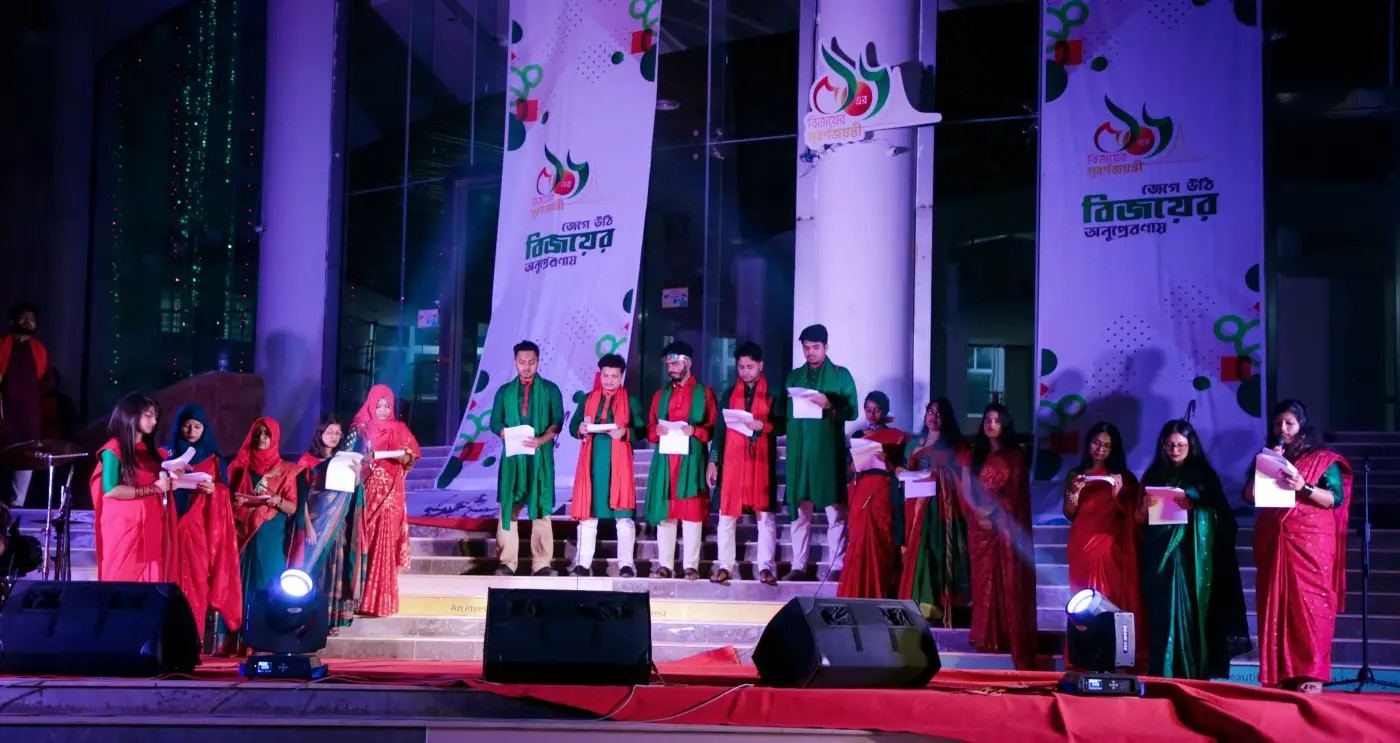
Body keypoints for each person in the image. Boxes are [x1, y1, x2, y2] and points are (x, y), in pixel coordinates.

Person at [1246, 399, 1352, 693]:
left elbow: (1335, 499)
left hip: (1311, 543)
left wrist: (1303, 487)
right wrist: (1267, 466)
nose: (1283, 428)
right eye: (1278, 423)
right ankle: (1281, 672)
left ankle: (1311, 674)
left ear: (1301, 426)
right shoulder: (1267, 457)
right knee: (1277, 604)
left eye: (1289, 423)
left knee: (1310, 606)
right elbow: (1249, 495)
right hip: (1275, 540)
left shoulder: (1322, 458)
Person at [1137, 419, 1251, 679]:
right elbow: (1138, 519)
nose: (1174, 450)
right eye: (1169, 445)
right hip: (1161, 557)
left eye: (1180, 445)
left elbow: (1223, 517)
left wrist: (1195, 507)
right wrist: (1144, 507)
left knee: (1193, 613)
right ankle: (1163, 673)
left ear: (1191, 446)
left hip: (1195, 558)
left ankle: (1193, 674)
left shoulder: (1204, 476)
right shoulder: (1153, 475)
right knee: (1163, 614)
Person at [1063, 421, 1145, 670]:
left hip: (1111, 544)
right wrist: (1074, 494)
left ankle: (1114, 657)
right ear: (1089, 444)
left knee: (1109, 599)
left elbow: (1132, 514)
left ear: (1114, 449)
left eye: (1107, 445)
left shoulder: (1125, 478)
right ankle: (1082, 657)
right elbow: (1069, 512)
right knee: (1081, 600)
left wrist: (1118, 496)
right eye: (1096, 443)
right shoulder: (1075, 474)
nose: (1100, 449)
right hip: (1082, 543)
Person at [965, 402, 1037, 670]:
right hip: (979, 528)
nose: (991, 425)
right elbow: (968, 490)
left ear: (1004, 425)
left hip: (1004, 527)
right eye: (987, 420)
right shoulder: (976, 455)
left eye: (996, 421)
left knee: (1007, 580)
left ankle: (1007, 637)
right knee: (983, 582)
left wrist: (994, 511)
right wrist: (978, 511)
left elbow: (1016, 494)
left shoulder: (1015, 456)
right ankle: (985, 637)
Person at [707, 342, 785, 585]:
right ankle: (725, 566)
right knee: (726, 515)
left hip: (761, 463)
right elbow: (720, 430)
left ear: (761, 365)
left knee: (765, 516)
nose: (745, 371)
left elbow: (784, 425)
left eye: (750, 366)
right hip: (733, 462)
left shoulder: (773, 394)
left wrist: (765, 426)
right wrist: (713, 461)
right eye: (741, 367)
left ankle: (765, 568)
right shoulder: (729, 394)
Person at [783, 324, 856, 582]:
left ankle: (837, 564)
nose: (810, 352)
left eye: (815, 347)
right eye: (806, 347)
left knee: (835, 511)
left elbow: (853, 411)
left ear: (826, 347)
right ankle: (798, 565)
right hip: (800, 453)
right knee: (800, 512)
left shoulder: (841, 375)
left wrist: (830, 403)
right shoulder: (794, 377)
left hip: (827, 453)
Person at [221, 417, 298, 655]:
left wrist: (277, 500)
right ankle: (231, 640)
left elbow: (292, 507)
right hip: (240, 533)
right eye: (257, 433)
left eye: (266, 434)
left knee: (266, 583)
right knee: (238, 583)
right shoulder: (239, 466)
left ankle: (260, 640)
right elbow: (224, 499)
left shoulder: (285, 470)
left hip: (270, 534)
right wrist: (233, 502)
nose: (261, 438)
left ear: (274, 438)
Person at [167, 403, 242, 642]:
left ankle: (193, 641)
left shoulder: (213, 458)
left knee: (197, 581)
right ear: (178, 427)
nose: (191, 431)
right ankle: (165, 642)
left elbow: (224, 493)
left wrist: (214, 490)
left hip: (198, 527)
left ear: (205, 429)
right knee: (168, 583)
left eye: (197, 426)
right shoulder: (166, 454)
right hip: (168, 526)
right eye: (187, 425)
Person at [644, 340, 718, 580]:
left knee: (691, 510)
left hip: (692, 459)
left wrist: (695, 431)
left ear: (688, 363)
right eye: (668, 364)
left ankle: (690, 566)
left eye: (675, 363)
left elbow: (714, 428)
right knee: (666, 511)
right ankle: (665, 565)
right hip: (666, 461)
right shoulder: (660, 395)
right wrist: (656, 431)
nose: (671, 368)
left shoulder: (704, 393)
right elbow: (650, 428)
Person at [489, 341, 563, 576]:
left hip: (540, 458)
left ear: (538, 362)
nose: (527, 367)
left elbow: (557, 422)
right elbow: (494, 422)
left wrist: (542, 439)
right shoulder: (505, 391)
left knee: (541, 508)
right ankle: (507, 562)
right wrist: (505, 433)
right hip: (513, 458)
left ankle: (541, 563)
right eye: (522, 362)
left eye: (531, 362)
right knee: (508, 508)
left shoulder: (550, 389)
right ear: (515, 362)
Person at [89, 392, 180, 582]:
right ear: (130, 415)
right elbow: (111, 490)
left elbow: (158, 483)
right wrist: (153, 489)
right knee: (120, 582)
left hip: (151, 524)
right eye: (148, 415)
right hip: (124, 527)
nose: (154, 421)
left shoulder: (151, 452)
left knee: (151, 583)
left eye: (155, 416)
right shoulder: (113, 448)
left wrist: (172, 479)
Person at [568, 354, 644, 577]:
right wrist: (580, 428)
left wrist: (626, 432)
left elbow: (641, 428)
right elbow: (573, 425)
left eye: (614, 376)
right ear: (599, 375)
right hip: (592, 463)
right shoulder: (588, 398)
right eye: (605, 376)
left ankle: (626, 564)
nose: (609, 380)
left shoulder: (631, 400)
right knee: (588, 515)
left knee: (624, 516)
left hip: (619, 464)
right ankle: (583, 564)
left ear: (622, 377)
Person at [289, 415, 367, 632]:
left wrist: (357, 475)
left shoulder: (345, 459)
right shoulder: (306, 461)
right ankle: (308, 617)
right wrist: (308, 526)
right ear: (319, 433)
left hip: (338, 524)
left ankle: (332, 619)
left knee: (336, 568)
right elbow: (301, 496)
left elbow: (353, 492)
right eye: (329, 432)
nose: (334, 436)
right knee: (315, 569)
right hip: (315, 523)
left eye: (338, 433)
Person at [898, 398, 971, 625]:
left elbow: (965, 474)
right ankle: (919, 604)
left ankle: (937, 605)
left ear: (946, 418)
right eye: (931, 412)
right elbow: (906, 471)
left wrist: (941, 474)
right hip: (917, 507)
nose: (934, 417)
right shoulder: (914, 444)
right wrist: (900, 472)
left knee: (937, 551)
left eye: (939, 414)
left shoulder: (955, 446)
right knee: (920, 551)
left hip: (942, 507)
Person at [352, 384, 421, 615]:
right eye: (378, 405)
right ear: (370, 405)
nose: (382, 410)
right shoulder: (361, 429)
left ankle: (381, 603)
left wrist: (404, 459)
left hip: (392, 495)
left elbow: (411, 459)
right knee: (365, 540)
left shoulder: (400, 429)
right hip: (366, 493)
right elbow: (349, 455)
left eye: (386, 406)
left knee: (385, 544)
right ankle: (357, 599)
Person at [837, 391, 907, 599]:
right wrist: (853, 466)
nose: (872, 415)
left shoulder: (896, 436)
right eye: (868, 410)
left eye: (877, 410)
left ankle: (878, 592)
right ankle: (855, 592)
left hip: (883, 490)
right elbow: (848, 470)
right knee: (858, 539)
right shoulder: (858, 435)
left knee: (880, 539)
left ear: (885, 411)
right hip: (861, 490)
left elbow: (900, 469)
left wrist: (887, 460)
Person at [1, 303, 56, 506]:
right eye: (23, 318)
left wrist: (30, 394)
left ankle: (17, 509)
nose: (28, 322)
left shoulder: (38, 349)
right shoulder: (3, 346)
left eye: (31, 319)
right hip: (5, 415)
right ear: (12, 321)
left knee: (26, 461)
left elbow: (48, 380)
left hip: (29, 417)